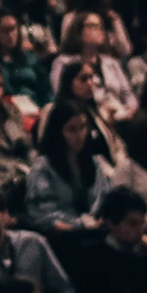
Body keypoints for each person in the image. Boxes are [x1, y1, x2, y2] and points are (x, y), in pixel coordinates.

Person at [25, 99, 113, 232]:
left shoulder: (95, 162)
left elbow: (106, 200)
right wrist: (78, 228)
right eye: (72, 129)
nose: (80, 135)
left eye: (83, 127)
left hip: (96, 230)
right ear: (58, 132)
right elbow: (43, 216)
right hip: (62, 237)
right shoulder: (43, 167)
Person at [51, 9, 139, 124]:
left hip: (120, 117)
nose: (99, 31)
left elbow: (127, 93)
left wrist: (131, 109)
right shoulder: (64, 62)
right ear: (78, 31)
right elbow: (61, 94)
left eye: (101, 26)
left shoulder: (112, 62)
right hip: (86, 117)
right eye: (93, 26)